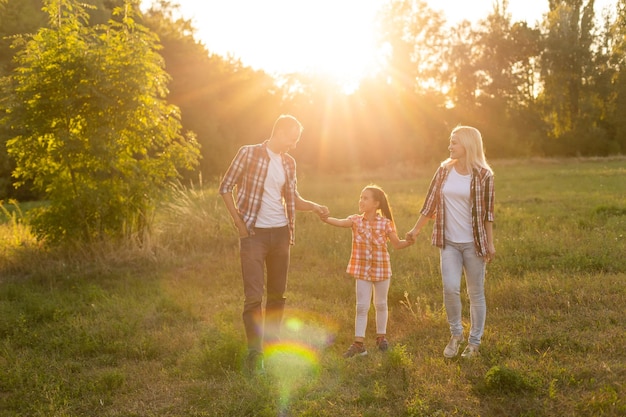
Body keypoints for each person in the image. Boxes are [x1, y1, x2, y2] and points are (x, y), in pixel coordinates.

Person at [219, 114, 329, 375]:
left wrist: (314, 207)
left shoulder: (289, 163)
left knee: (277, 295)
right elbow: (225, 187)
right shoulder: (248, 153)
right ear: (280, 132)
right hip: (254, 235)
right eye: (292, 139)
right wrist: (239, 223)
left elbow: (293, 197)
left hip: (281, 234)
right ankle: (255, 353)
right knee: (254, 297)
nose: (294, 144)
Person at [406, 125, 495, 359]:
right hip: (449, 243)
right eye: (450, 141)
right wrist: (415, 230)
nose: (450, 146)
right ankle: (456, 335)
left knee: (476, 293)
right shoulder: (444, 170)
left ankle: (474, 343)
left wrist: (490, 243)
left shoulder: (485, 175)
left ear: (467, 145)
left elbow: (488, 214)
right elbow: (430, 204)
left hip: (474, 243)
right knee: (450, 288)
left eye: (454, 142)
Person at [322, 184, 413, 358]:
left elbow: (397, 244)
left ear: (376, 203)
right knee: (362, 306)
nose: (361, 201)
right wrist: (326, 218)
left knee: (381, 304)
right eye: (360, 197)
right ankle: (358, 344)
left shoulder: (386, 224)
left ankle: (381, 338)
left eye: (365, 198)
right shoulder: (355, 220)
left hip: (381, 269)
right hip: (362, 270)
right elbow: (341, 222)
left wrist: (409, 241)